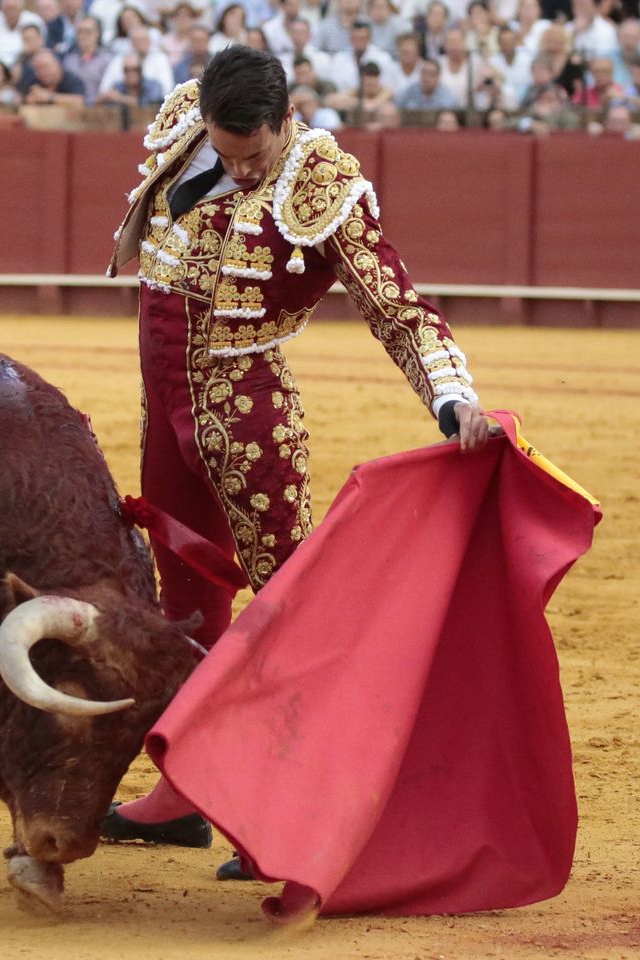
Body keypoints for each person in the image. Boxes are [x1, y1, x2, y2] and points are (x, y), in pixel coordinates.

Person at [100, 46, 490, 878]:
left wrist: (452, 397)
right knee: (188, 603)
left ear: (288, 119)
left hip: (247, 420)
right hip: (165, 410)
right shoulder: (185, 126)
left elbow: (396, 304)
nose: (242, 171)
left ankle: (286, 811)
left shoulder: (320, 184)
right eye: (228, 152)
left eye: (257, 155)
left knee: (288, 611)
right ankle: (186, 791)